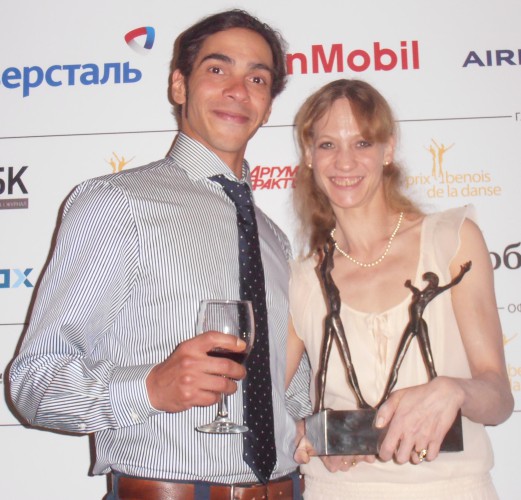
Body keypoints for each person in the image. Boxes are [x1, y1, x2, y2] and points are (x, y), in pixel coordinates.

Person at [9, 10, 310, 500]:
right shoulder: (116, 203)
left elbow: (290, 391)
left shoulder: (275, 239)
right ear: (178, 85)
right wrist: (149, 387)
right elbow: (33, 383)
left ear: (268, 103)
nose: (239, 89)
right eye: (218, 69)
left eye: (258, 78)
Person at [286, 79, 513, 499]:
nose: (345, 162)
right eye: (328, 145)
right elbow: (257, 412)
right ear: (308, 156)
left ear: (388, 150)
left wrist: (456, 389)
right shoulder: (302, 277)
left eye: (362, 143)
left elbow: (499, 397)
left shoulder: (452, 240)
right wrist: (311, 430)